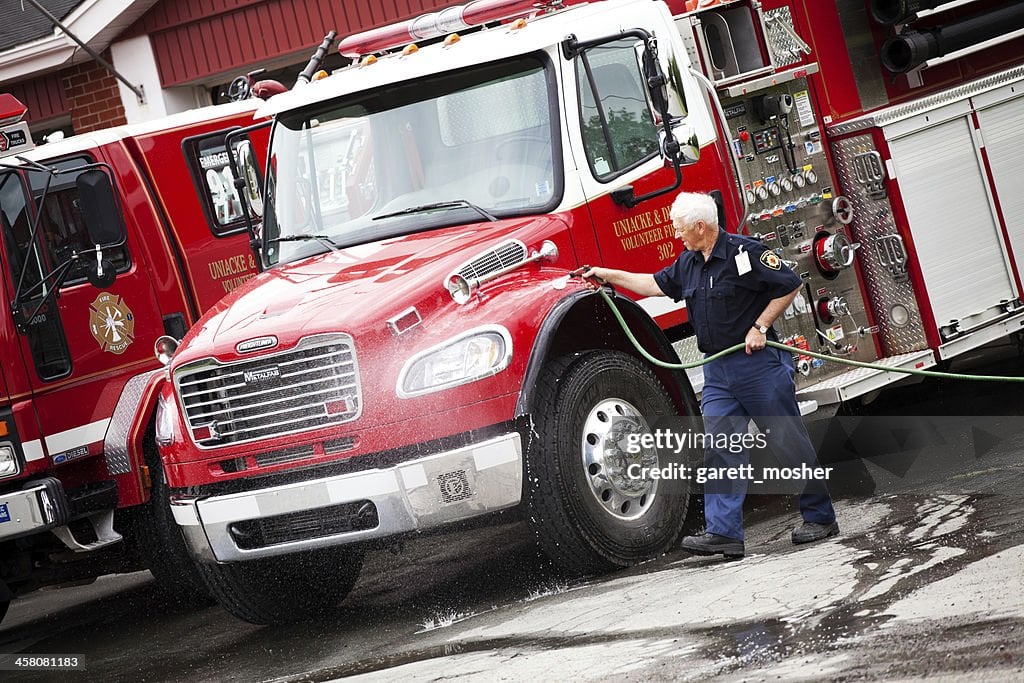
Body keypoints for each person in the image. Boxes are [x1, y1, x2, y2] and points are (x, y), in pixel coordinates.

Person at [585, 191, 838, 559]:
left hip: (757, 365)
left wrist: (761, 326)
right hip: (717, 369)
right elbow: (652, 285)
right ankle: (725, 534)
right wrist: (607, 275)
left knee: (786, 441)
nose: (677, 235)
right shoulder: (688, 262)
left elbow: (790, 284)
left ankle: (820, 516)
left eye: (680, 228)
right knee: (721, 448)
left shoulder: (746, 253)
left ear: (701, 226)